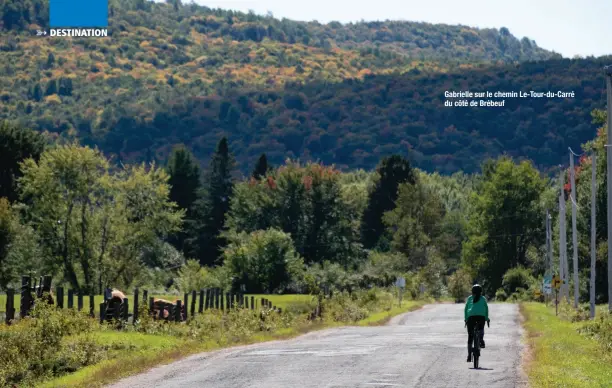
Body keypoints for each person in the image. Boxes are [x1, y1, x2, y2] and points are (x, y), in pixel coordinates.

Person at [464, 283, 489, 362]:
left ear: (472, 291)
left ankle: (469, 356)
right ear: (481, 291)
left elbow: (465, 309)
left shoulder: (469, 298)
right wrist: (486, 318)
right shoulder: (483, 298)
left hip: (471, 317)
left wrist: (466, 318)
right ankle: (481, 339)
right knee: (481, 328)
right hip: (481, 317)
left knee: (470, 336)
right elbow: (486, 308)